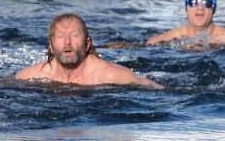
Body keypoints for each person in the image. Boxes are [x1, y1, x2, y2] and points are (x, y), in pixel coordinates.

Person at [15, 12, 162, 89]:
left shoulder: (110, 75)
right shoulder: (32, 76)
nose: (67, 42)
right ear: (51, 46)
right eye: (60, 36)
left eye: (74, 35)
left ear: (87, 44)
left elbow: (155, 88)